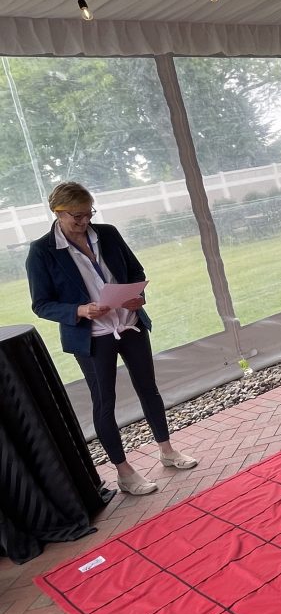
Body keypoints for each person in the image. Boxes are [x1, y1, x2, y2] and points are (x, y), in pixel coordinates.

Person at [26, 182, 197, 496]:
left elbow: (134, 270)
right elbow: (41, 304)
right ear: (58, 213)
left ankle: (168, 450)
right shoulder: (42, 251)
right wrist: (79, 309)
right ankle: (124, 472)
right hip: (93, 337)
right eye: (77, 216)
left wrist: (138, 295)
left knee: (149, 389)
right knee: (105, 402)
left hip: (130, 325)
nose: (84, 221)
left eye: (88, 213)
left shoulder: (108, 233)